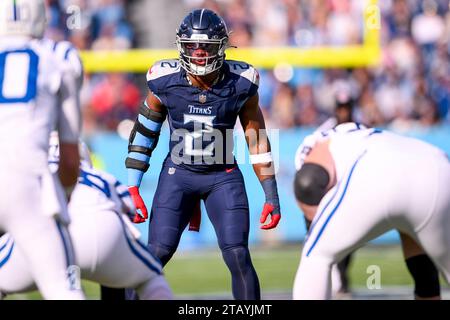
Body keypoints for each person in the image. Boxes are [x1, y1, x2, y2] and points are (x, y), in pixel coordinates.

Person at [124, 8, 281, 300]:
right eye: (191, 46)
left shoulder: (241, 82)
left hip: (223, 177)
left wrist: (270, 194)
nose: (198, 54)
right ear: (181, 46)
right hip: (178, 175)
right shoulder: (164, 79)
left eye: (205, 46)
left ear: (220, 46)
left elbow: (257, 140)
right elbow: (145, 133)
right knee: (155, 254)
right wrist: (132, 185)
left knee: (237, 254)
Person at [0, 134, 173, 300]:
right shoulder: (100, 177)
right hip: (99, 231)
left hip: (43, 240)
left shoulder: (24, 179)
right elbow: (127, 214)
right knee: (150, 278)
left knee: (63, 286)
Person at [292, 123, 449, 299]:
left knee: (316, 256)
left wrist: (314, 230)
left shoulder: (318, 142)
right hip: (438, 163)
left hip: (372, 169)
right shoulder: (373, 138)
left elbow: (307, 181)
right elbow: (415, 242)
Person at [0, 0, 84, 299]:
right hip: (28, 183)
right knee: (63, 289)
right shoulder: (57, 60)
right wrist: (65, 196)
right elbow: (71, 158)